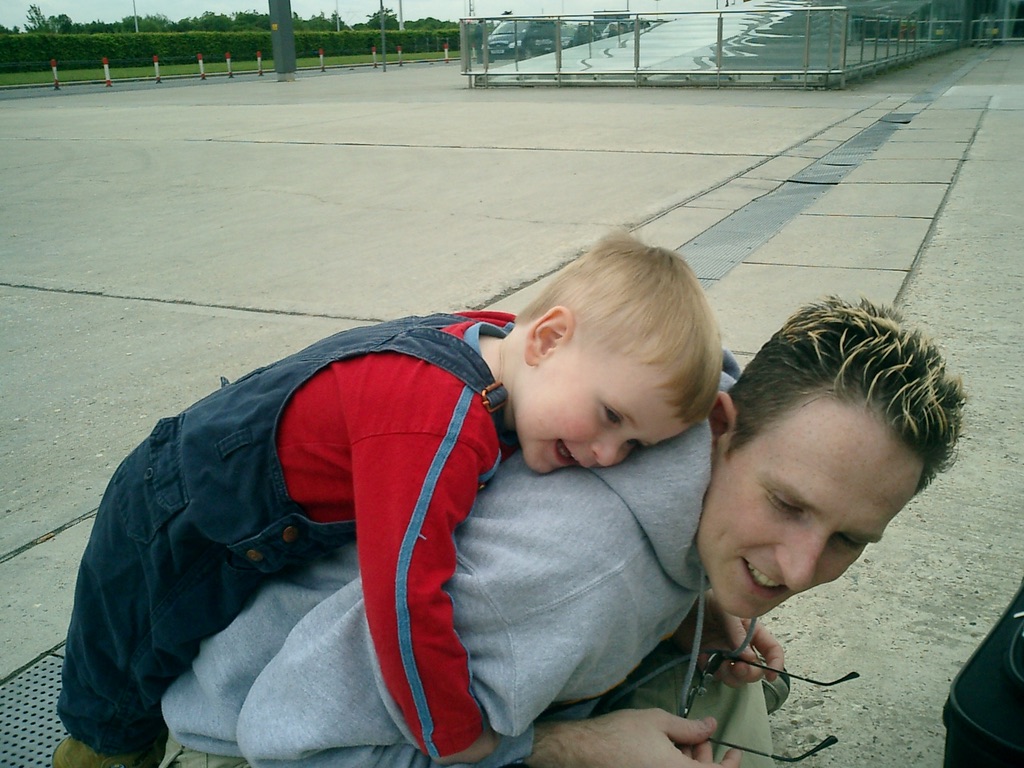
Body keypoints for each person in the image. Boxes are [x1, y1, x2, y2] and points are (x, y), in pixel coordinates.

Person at [158, 296, 966, 768]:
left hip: (371, 699)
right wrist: (572, 749)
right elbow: (291, 742)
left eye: (848, 540)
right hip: (254, 736)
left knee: (725, 688)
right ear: (722, 430)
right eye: (787, 504)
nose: (796, 568)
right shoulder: (572, 569)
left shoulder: (693, 414)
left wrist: (696, 608)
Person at [53, 231, 723, 768]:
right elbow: (405, 599)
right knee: (115, 705)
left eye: (635, 446)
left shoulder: (498, 345)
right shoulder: (438, 426)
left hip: (224, 492)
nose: (609, 455)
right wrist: (453, 734)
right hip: (180, 514)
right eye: (609, 415)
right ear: (547, 338)